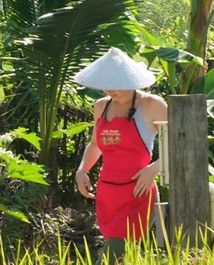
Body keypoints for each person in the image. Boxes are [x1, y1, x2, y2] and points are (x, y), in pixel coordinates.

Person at [73, 47, 167, 264]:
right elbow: (95, 144)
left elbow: (181, 141)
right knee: (122, 255)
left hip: (138, 191)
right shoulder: (101, 106)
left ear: (130, 80)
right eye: (105, 84)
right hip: (108, 193)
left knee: (113, 254)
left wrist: (154, 168)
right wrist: (82, 170)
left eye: (115, 84)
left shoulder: (152, 104)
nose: (109, 90)